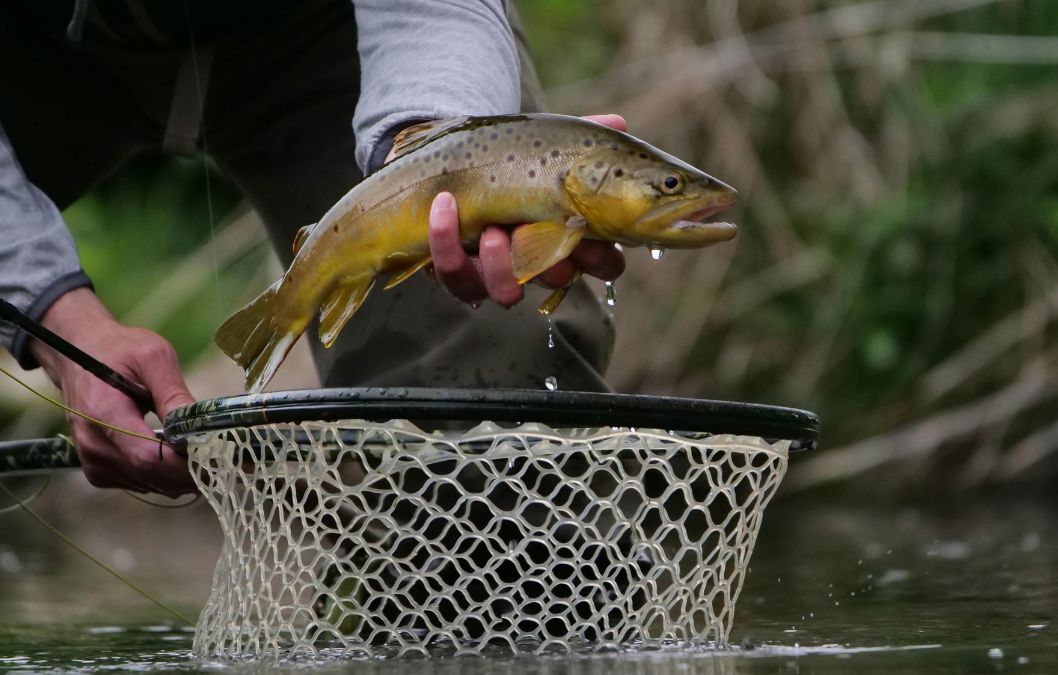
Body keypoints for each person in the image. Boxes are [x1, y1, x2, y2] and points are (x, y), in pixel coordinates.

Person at [0, 0, 625, 496]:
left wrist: (439, 152)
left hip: (328, 27)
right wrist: (58, 315)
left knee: (500, 367)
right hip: (34, 40)